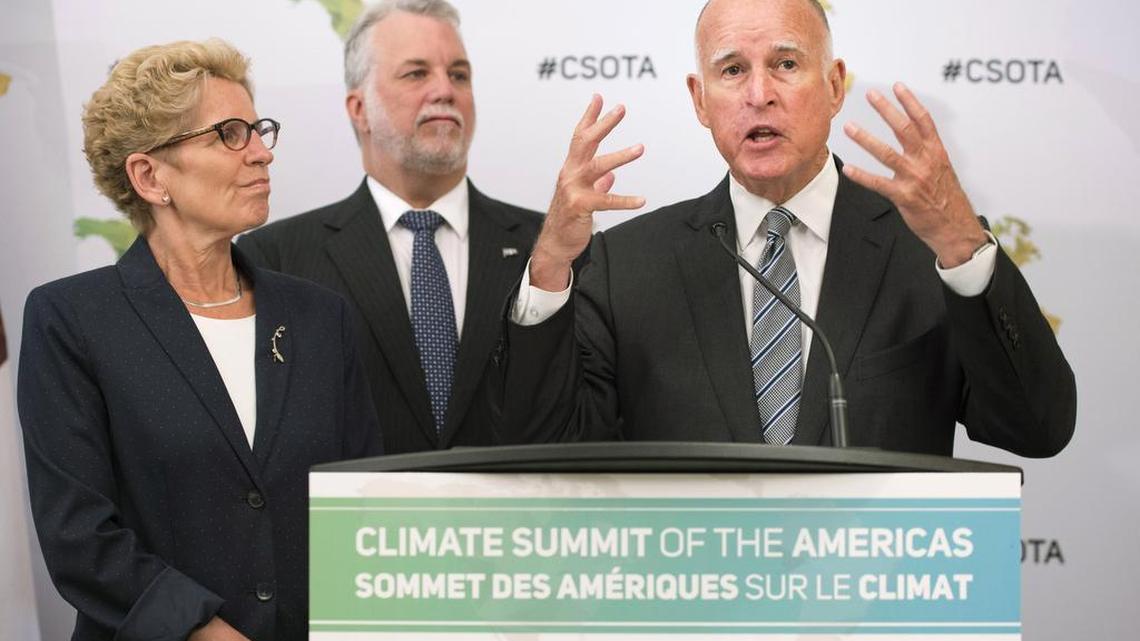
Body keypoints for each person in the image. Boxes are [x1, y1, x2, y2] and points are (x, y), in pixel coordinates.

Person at [498, 0, 1076, 456]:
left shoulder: (927, 251)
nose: (759, 95)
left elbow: (1037, 429)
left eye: (786, 64)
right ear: (700, 101)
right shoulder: (627, 266)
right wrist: (549, 267)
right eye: (732, 70)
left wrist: (963, 246)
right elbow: (544, 448)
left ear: (834, 86)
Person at [18, 40, 382, 641]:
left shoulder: (321, 317)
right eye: (229, 135)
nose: (262, 152)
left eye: (259, 130)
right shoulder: (71, 320)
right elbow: (79, 538)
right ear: (149, 176)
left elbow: (364, 504)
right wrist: (201, 629)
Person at [237, 0, 543, 454]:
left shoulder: (547, 247)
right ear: (359, 108)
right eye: (417, 73)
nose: (445, 90)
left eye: (459, 75)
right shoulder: (275, 258)